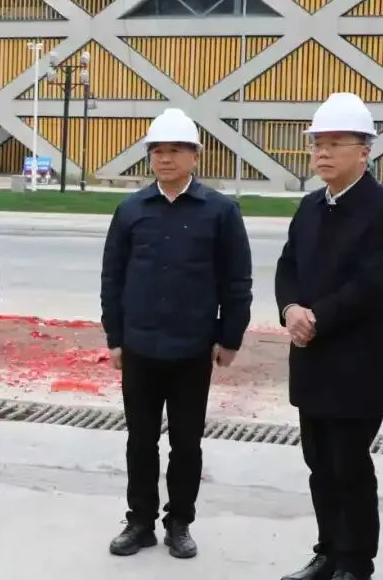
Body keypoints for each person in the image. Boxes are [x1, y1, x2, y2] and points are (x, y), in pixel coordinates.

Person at [100, 108, 253, 560]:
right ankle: (140, 522)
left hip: (192, 348)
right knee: (140, 441)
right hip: (140, 347)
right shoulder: (131, 210)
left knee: (186, 443)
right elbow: (112, 278)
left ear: (195, 156)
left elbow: (236, 280)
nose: (165, 159)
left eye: (175, 151)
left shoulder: (220, 211)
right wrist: (115, 338)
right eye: (157, 152)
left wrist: (230, 337)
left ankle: (179, 522)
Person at [275, 92, 383, 580]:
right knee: (319, 465)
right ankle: (328, 552)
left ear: (364, 151)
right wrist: (290, 309)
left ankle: (355, 563)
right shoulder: (310, 207)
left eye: (335, 143)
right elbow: (288, 266)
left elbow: (373, 285)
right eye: (317, 144)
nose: (323, 153)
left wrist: (317, 317)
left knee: (349, 465)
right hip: (311, 361)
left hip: (358, 365)